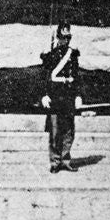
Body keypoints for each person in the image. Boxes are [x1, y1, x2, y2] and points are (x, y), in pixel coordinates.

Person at [40, 21, 81, 173]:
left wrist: (78, 95)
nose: (66, 40)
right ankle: (55, 162)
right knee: (55, 131)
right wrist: (44, 95)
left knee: (69, 130)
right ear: (58, 38)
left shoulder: (73, 55)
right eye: (63, 37)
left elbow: (76, 76)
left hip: (68, 96)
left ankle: (66, 160)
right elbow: (45, 77)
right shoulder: (51, 56)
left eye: (68, 37)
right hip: (55, 96)